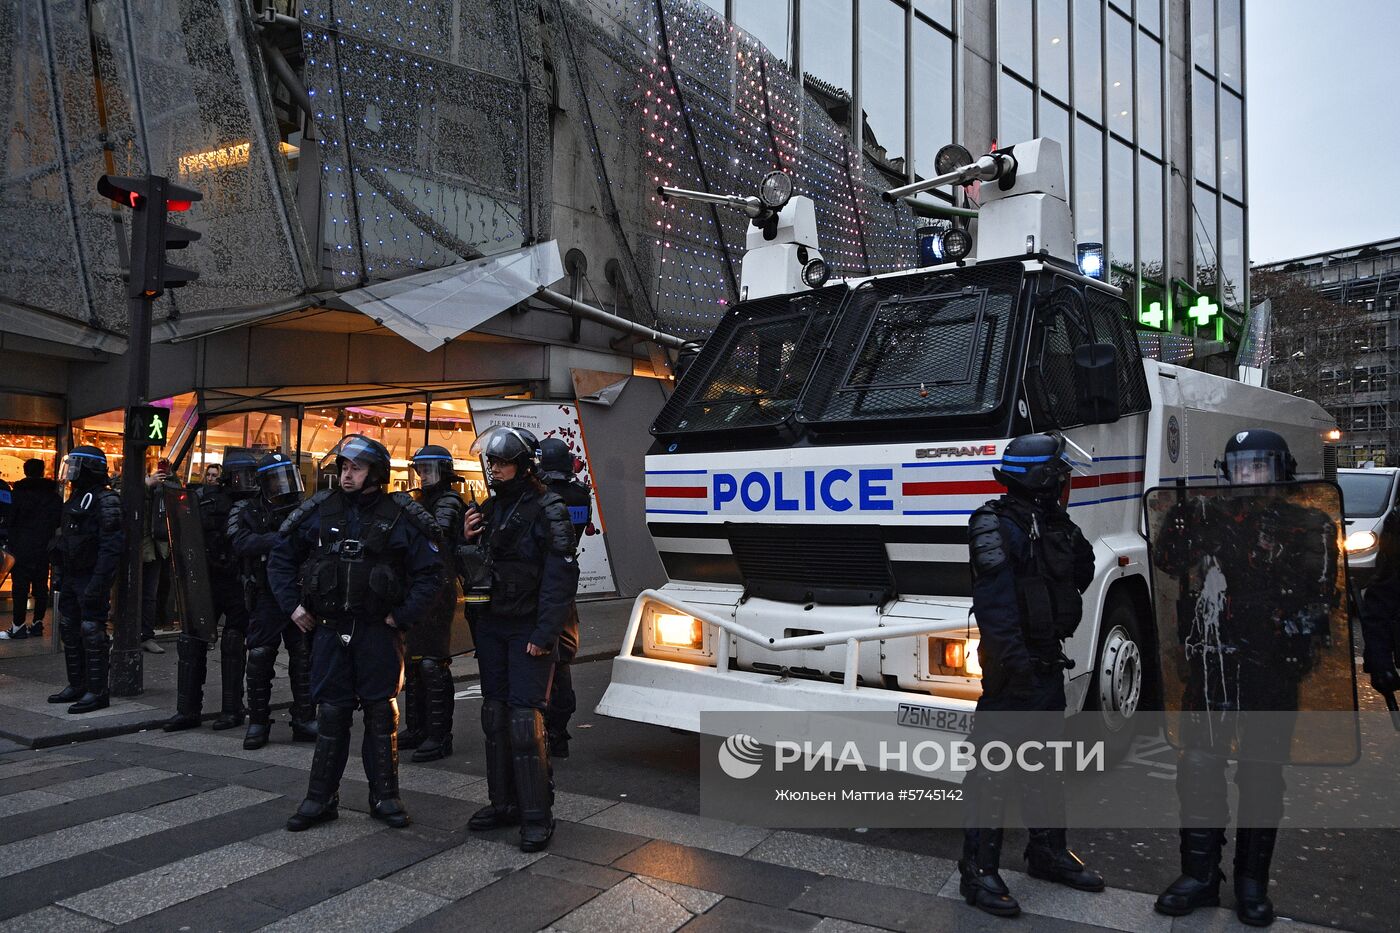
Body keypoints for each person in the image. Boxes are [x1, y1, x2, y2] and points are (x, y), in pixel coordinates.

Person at [1152, 430, 1336, 927]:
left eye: (1260, 467)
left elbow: (1319, 598)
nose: (1250, 476)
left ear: (1280, 472)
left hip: (1270, 670)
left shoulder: (1308, 523)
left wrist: (1290, 637)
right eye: (1241, 467)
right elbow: (1169, 564)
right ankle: (1199, 874)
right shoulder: (1209, 516)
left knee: (1260, 775)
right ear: (1226, 472)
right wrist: (1181, 519)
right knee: (1198, 769)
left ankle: (1252, 882)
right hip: (1213, 663)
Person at [267, 435, 444, 832]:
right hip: (329, 631)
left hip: (378, 634)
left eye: (355, 468)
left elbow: (431, 573)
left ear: (376, 473)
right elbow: (280, 556)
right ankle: (319, 799)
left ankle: (385, 797)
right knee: (331, 714)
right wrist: (292, 607)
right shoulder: (318, 509)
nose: (346, 475)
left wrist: (402, 617)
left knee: (382, 715)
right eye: (344, 468)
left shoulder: (401, 515)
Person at [959, 432, 1102, 918]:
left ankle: (1046, 852)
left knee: (1045, 766)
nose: (1066, 483)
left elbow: (1080, 569)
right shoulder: (993, 526)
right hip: (1014, 668)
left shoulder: (1053, 523)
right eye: (1060, 475)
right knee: (991, 773)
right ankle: (977, 872)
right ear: (1043, 479)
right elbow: (995, 611)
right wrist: (1016, 671)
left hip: (1045, 660)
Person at [463, 426, 579, 853]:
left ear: (523, 464)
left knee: (524, 719)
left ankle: (536, 814)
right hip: (493, 625)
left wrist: (545, 632)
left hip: (529, 626)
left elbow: (561, 576)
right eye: (492, 462)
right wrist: (467, 537)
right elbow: (473, 569)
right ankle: (504, 804)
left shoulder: (548, 508)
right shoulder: (491, 510)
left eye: (502, 462)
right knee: (494, 714)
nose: (494, 469)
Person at [164, 451, 258, 731]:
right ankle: (188, 709)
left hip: (239, 580)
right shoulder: (203, 499)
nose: (248, 481)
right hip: (207, 579)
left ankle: (232, 708)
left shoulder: (255, 504)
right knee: (192, 641)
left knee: (233, 642)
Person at [231, 452, 317, 749]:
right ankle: (257, 720)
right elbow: (240, 542)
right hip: (266, 594)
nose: (283, 487)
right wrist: (275, 540)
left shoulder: (305, 509)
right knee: (260, 657)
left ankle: (305, 717)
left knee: (304, 657)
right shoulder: (250, 511)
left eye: (287, 478)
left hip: (299, 591)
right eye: (276, 481)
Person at [400, 445, 467, 762]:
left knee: (432, 662)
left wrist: (406, 509)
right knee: (414, 663)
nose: (422, 474)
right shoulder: (421, 501)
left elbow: (436, 533)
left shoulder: (450, 500)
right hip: (417, 585)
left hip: (439, 589)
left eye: (428, 469)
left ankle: (440, 736)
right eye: (419, 469)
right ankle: (417, 728)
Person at [47, 446, 123, 713]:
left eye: (76, 466)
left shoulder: (106, 499)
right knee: (69, 628)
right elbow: (64, 540)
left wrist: (99, 583)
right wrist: (59, 574)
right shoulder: (76, 497)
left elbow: (111, 547)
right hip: (72, 575)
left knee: (92, 632)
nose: (71, 472)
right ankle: (77, 684)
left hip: (91, 576)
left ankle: (97, 690)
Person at [536, 437, 592, 758]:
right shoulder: (580, 495)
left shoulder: (544, 498)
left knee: (547, 656)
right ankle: (560, 732)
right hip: (568, 582)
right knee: (564, 658)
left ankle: (547, 727)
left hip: (545, 584)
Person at [0, 460, 63, 640]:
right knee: (41, 587)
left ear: (25, 471)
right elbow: (58, 520)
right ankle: (38, 623)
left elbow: (9, 519)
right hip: (44, 547)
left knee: (20, 587)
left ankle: (18, 625)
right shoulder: (53, 496)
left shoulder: (17, 494)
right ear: (43, 472)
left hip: (20, 547)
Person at [138, 466, 170, 654]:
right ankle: (136, 634)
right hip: (138, 547)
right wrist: (146, 485)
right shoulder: (132, 484)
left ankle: (146, 635)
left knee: (150, 595)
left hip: (155, 547)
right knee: (131, 594)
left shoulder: (162, 488)